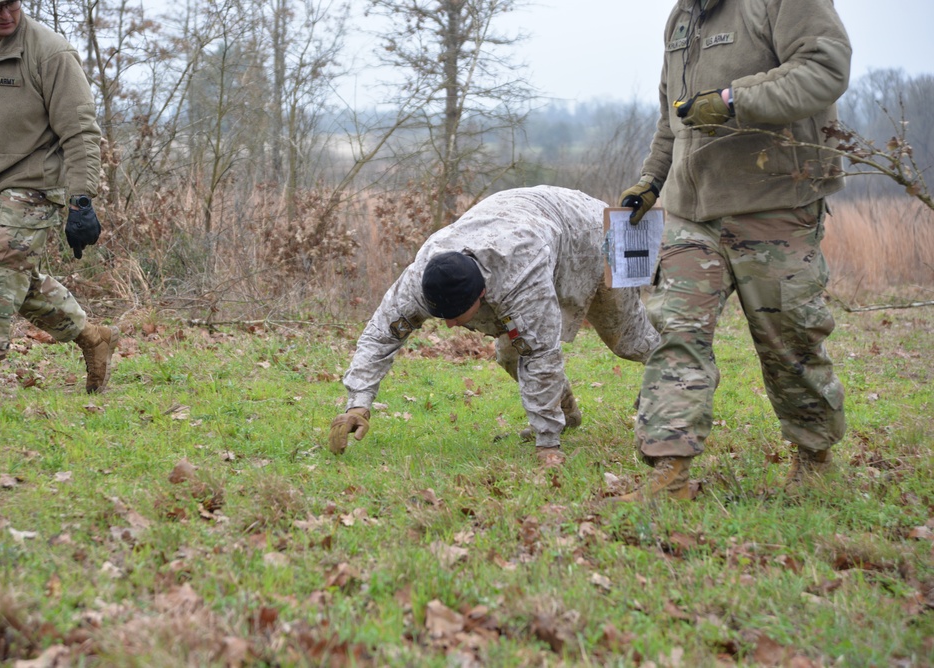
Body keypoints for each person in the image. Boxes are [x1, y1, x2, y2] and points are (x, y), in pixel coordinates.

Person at [616, 0, 851, 500]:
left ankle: (814, 457)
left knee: (789, 341)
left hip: (775, 202)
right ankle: (670, 473)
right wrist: (650, 183)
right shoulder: (682, 17)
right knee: (677, 332)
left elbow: (825, 66)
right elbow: (671, 119)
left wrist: (731, 99)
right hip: (689, 212)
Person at [328, 185, 660, 466]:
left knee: (626, 339)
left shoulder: (520, 275)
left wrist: (547, 445)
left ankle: (677, 373)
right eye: (442, 316)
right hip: (531, 221)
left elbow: (542, 354)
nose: (450, 325)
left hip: (592, 232)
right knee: (509, 355)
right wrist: (359, 403)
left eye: (457, 315)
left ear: (484, 293)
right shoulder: (422, 277)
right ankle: (567, 413)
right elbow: (380, 336)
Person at [0, 0, 118, 401]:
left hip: (36, 184)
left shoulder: (50, 52)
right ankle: (94, 337)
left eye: (13, 4)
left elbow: (81, 130)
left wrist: (82, 199)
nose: (6, 14)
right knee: (17, 282)